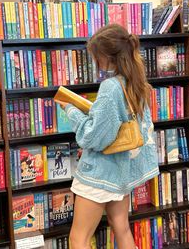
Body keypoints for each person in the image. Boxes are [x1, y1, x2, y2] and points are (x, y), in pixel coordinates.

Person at [59, 24, 159, 249]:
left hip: (100, 174)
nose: (95, 61)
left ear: (105, 55)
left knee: (79, 238)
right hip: (122, 172)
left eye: (95, 56)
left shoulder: (110, 87)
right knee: (121, 227)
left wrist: (71, 110)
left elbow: (93, 137)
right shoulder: (137, 83)